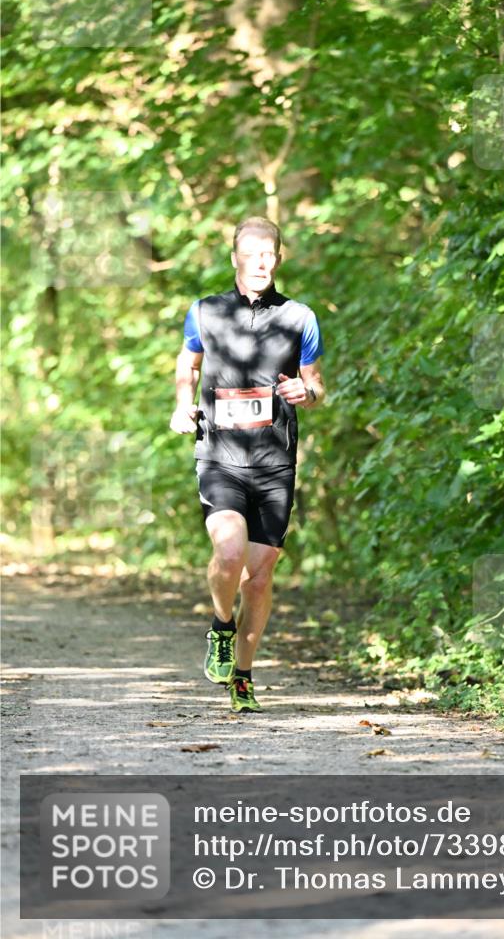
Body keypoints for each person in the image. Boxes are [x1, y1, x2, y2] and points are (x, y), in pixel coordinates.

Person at [169, 217, 325, 713]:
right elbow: (188, 363)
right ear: (235, 256)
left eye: (269, 254)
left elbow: (316, 384)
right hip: (219, 455)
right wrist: (181, 403)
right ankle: (221, 623)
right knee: (230, 549)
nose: (261, 262)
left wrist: (309, 392)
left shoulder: (300, 317)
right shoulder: (205, 312)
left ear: (279, 258)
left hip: (275, 462)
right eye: (251, 253)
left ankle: (243, 675)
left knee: (259, 576)